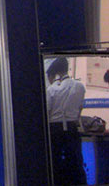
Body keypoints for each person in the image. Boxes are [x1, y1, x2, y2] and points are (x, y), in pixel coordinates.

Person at [46, 56, 87, 185]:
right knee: (76, 161)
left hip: (55, 130)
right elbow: (80, 108)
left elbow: (47, 111)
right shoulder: (80, 86)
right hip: (72, 129)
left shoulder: (52, 89)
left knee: (56, 162)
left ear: (54, 74)